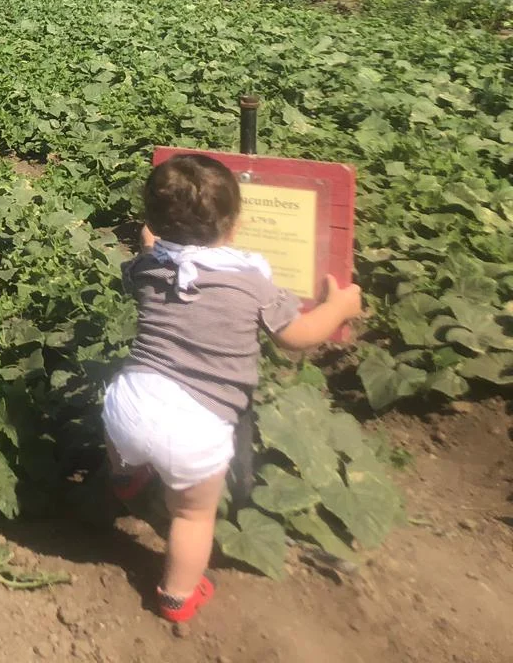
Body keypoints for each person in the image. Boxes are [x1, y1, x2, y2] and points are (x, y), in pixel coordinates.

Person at [102, 153, 363, 624]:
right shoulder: (251, 281)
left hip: (132, 403)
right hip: (196, 427)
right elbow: (295, 338)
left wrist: (152, 244)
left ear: (153, 224)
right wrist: (339, 307)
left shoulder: (147, 268)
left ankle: (125, 475)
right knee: (191, 517)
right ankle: (177, 596)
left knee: (124, 418)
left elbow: (154, 255)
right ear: (236, 224)